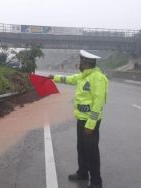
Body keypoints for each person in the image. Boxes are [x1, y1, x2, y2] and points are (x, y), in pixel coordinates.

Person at [49, 50, 108, 188]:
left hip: (90, 122)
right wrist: (54, 77)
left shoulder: (97, 77)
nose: (80, 64)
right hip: (81, 119)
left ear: (88, 63)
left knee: (91, 150)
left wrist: (91, 123)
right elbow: (70, 79)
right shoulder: (84, 76)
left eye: (82, 62)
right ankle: (82, 173)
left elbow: (99, 102)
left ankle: (96, 181)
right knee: (81, 147)